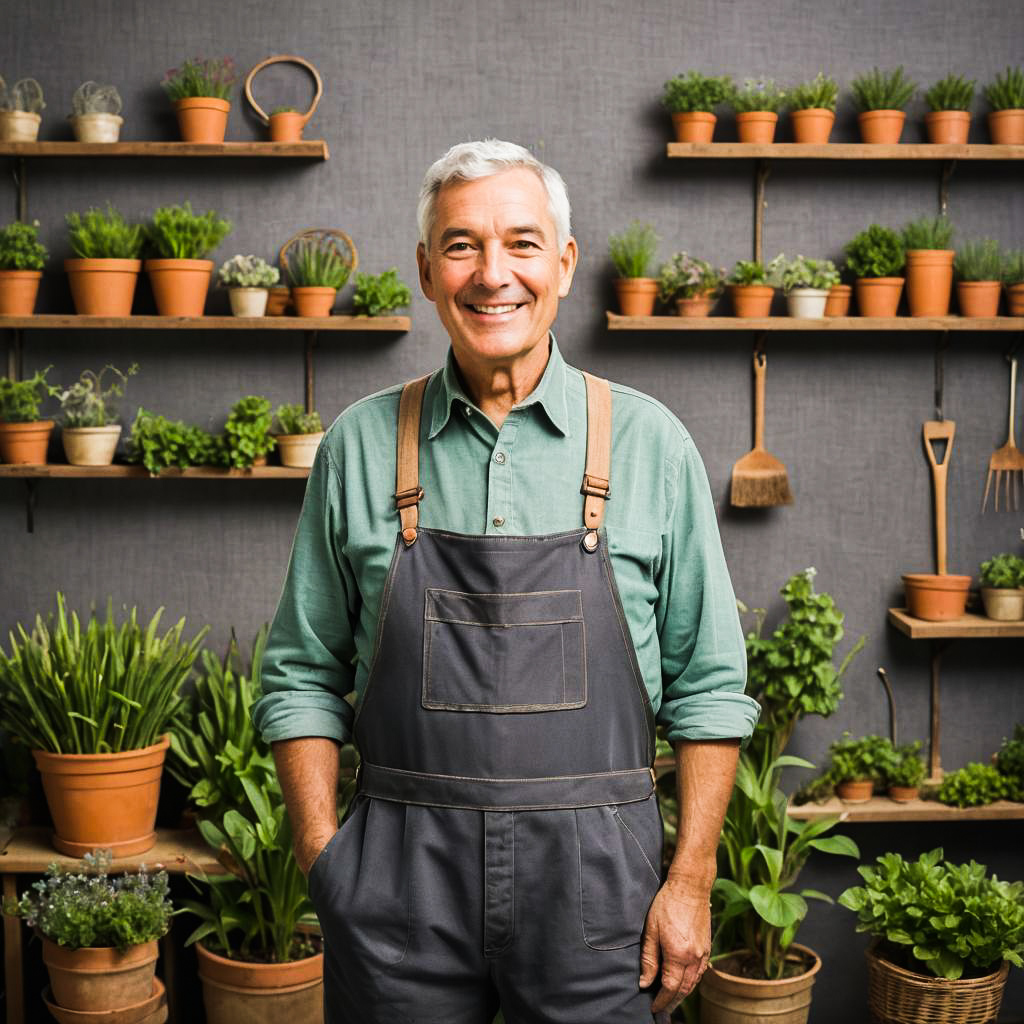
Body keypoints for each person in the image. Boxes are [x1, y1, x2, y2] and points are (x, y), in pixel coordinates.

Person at [253, 138, 759, 1024]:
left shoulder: (651, 446)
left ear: (563, 263)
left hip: (605, 897)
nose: (494, 275)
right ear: (424, 270)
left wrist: (690, 879)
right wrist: (324, 858)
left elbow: (711, 689)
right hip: (399, 891)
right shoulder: (360, 448)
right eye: (462, 245)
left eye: (522, 243)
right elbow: (300, 673)